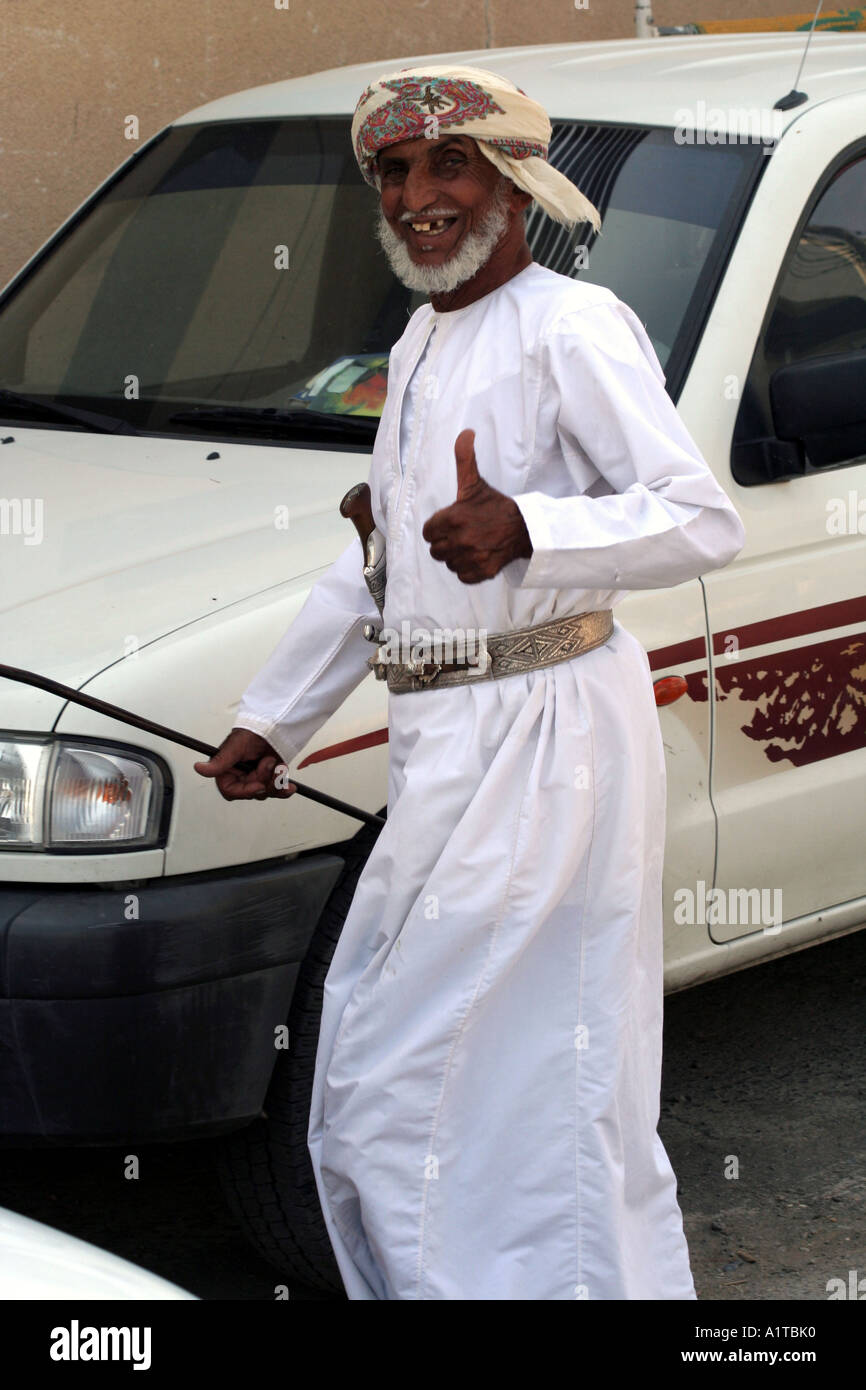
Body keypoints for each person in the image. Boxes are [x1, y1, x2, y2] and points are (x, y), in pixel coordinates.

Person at [195, 64, 746, 1300]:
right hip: (445, 748)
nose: (415, 196)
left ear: (513, 182)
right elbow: (381, 567)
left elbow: (700, 521)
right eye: (392, 173)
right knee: (443, 1088)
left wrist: (534, 530)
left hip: (548, 741)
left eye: (447, 165)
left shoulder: (571, 324)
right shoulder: (423, 336)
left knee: (443, 1086)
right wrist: (270, 718)